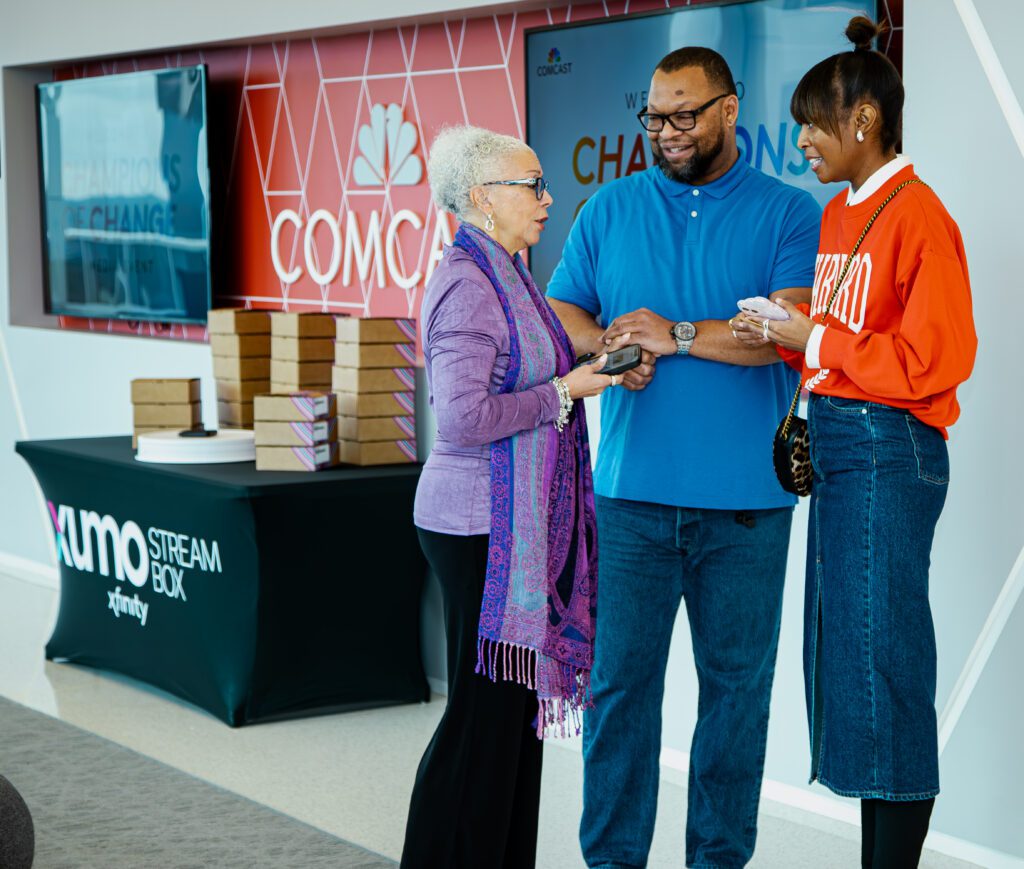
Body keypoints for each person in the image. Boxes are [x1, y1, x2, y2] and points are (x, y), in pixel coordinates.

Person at [547, 47, 822, 868]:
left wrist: (673, 333)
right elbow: (564, 305)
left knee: (735, 701)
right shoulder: (609, 209)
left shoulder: (788, 212)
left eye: (683, 115)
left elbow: (785, 334)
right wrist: (609, 347)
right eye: (654, 116)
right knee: (618, 695)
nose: (665, 132)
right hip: (630, 500)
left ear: (730, 111)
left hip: (747, 507)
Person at [734, 16, 977, 868]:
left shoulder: (921, 215)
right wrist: (790, 332)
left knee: (883, 663)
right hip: (842, 440)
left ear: (863, 119)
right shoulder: (839, 212)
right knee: (847, 663)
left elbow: (940, 360)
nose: (800, 139)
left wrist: (820, 340)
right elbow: (841, 337)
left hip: (888, 448)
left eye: (812, 122)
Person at [400, 124, 615, 869]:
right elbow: (460, 418)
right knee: (481, 723)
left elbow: (530, 366)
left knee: (509, 725)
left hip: (505, 527)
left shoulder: (509, 273)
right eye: (533, 185)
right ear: (485, 198)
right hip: (475, 529)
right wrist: (564, 392)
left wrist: (595, 357)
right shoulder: (468, 280)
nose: (549, 199)